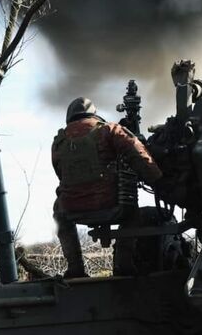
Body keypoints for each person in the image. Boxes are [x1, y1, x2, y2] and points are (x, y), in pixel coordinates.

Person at [52, 97, 162, 278]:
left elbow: (61, 174)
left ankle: (75, 268)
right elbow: (138, 154)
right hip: (111, 205)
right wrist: (157, 180)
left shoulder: (59, 141)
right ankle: (123, 265)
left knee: (59, 211)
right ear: (94, 114)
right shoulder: (109, 130)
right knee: (131, 211)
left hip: (72, 209)